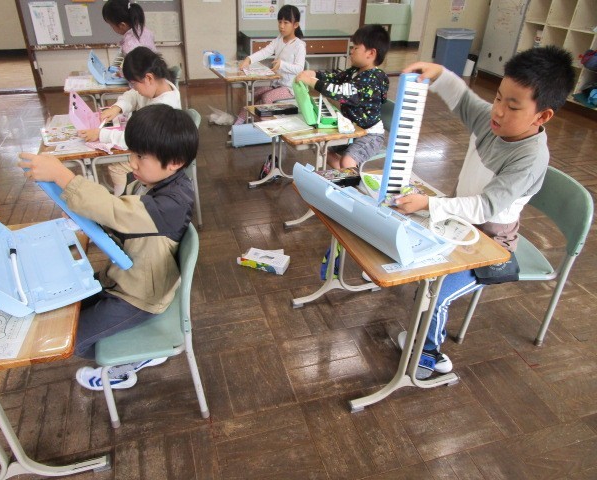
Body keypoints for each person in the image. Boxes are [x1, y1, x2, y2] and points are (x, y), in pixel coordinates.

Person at [393, 46, 575, 378]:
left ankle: (429, 355)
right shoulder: (493, 121)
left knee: (436, 292)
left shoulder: (530, 158)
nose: (499, 111)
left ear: (542, 116)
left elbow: (485, 206)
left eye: (513, 106)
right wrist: (439, 73)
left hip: (491, 247)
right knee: (414, 264)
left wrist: (429, 204)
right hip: (457, 224)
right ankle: (423, 336)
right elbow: (463, 98)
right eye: (499, 97)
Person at [18, 104, 198, 391]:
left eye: (141, 156)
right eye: (132, 153)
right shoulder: (150, 183)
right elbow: (122, 216)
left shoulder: (172, 202)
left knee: (71, 341)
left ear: (174, 162)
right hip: (124, 279)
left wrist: (63, 175)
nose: (132, 163)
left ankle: (125, 365)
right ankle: (134, 352)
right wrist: (84, 218)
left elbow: (116, 211)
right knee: (64, 311)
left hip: (139, 297)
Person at [79, 46, 181, 196]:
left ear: (148, 78)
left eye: (133, 83)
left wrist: (100, 134)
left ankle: (122, 200)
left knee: (117, 167)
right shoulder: (159, 84)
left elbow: (134, 140)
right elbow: (133, 95)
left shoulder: (163, 107)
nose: (133, 88)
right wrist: (117, 108)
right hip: (150, 146)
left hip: (159, 157)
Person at [296, 24, 390, 170]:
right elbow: (335, 77)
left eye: (355, 48)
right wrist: (315, 74)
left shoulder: (373, 79)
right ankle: (343, 176)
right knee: (320, 146)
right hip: (352, 129)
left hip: (370, 135)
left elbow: (342, 92)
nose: (351, 51)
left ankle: (350, 182)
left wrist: (312, 82)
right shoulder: (355, 71)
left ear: (371, 53)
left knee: (347, 161)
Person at [233, 4, 306, 125]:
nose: (281, 26)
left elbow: (299, 69)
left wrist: (282, 64)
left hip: (289, 88)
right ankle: (238, 124)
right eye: (280, 22)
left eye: (286, 22)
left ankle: (267, 127)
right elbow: (265, 51)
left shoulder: (299, 46)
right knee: (254, 94)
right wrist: (249, 59)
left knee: (267, 98)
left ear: (295, 25)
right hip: (276, 84)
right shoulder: (279, 39)